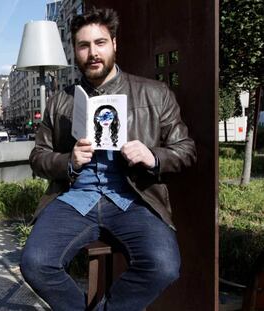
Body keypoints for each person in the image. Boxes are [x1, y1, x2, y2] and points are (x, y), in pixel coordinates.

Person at [20, 7, 196, 311]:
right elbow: (38, 156)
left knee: (163, 266)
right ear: (74, 50)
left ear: (114, 43)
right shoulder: (60, 101)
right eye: (83, 45)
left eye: (100, 43)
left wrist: (152, 156)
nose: (92, 53)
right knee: (35, 263)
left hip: (134, 196)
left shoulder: (153, 94)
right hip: (76, 197)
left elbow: (186, 150)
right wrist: (69, 162)